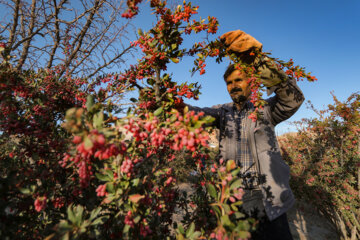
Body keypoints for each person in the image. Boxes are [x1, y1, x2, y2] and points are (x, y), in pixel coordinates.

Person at [190, 30, 305, 239]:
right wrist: (173, 105)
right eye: (229, 83)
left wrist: (259, 62)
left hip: (266, 197)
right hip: (232, 197)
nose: (233, 86)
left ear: (251, 82)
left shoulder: (266, 110)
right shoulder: (222, 113)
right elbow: (196, 114)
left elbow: (293, 100)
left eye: (239, 80)